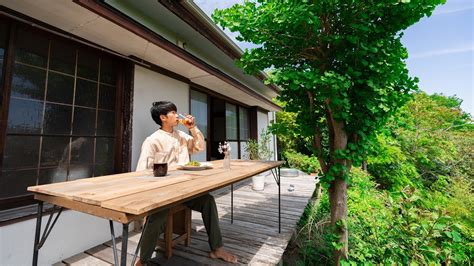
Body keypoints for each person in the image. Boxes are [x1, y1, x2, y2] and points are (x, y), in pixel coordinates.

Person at [135, 101, 237, 265]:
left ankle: (217, 248)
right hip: (164, 192)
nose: (178, 116)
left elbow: (199, 147)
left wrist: (192, 127)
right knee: (156, 217)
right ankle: (143, 260)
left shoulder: (181, 135)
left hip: (186, 190)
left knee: (208, 201)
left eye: (177, 112)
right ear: (163, 118)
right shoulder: (152, 141)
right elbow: (142, 172)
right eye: (173, 113)